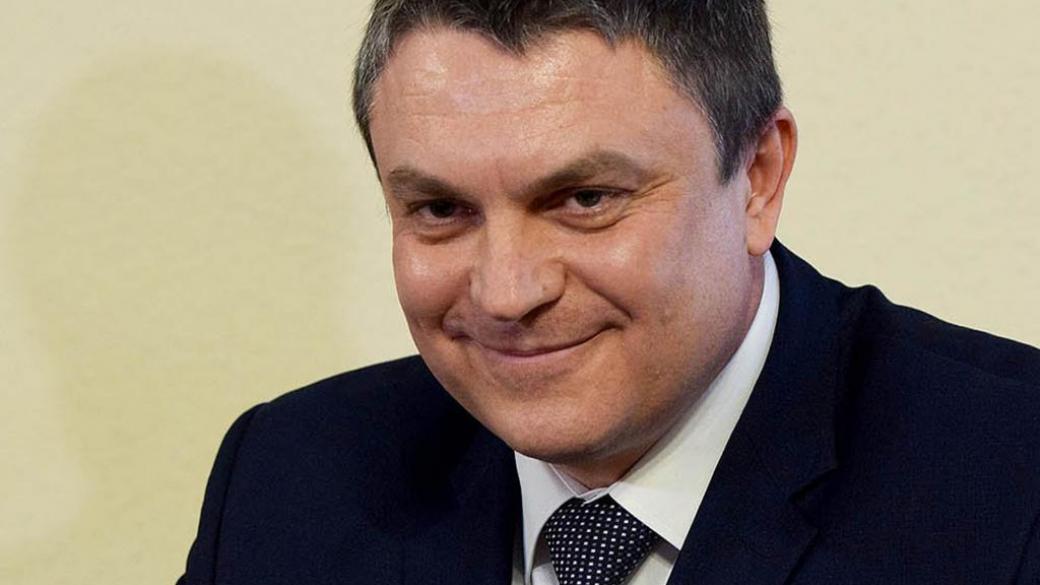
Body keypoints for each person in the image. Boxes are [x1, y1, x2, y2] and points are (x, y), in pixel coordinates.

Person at [177, 1, 1040, 584]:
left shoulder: (1015, 483)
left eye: (585, 199)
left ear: (758, 177)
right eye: (440, 210)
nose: (506, 292)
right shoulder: (288, 479)